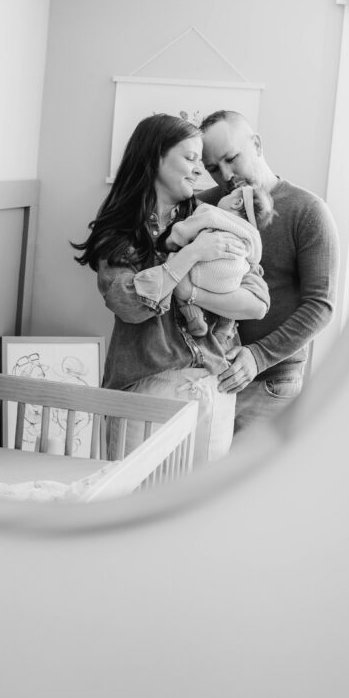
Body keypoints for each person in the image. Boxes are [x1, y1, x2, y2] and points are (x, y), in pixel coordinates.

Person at [72, 113, 270, 463]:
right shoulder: (119, 230)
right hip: (147, 389)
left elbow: (257, 302)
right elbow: (129, 304)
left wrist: (190, 292)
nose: (199, 170)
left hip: (214, 386)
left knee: (202, 496)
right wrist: (192, 254)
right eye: (190, 158)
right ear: (155, 159)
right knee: (137, 493)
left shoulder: (211, 218)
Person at [197, 109, 339, 434]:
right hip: (205, 377)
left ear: (257, 145)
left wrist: (258, 356)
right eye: (213, 168)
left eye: (231, 158)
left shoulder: (308, 211)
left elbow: (321, 306)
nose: (225, 175)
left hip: (271, 384)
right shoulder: (204, 208)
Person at [166, 183, 275, 338]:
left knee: (175, 261)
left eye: (229, 195)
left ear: (237, 202)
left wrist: (173, 241)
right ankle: (226, 324)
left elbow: (185, 230)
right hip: (230, 284)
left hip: (199, 273)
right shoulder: (254, 235)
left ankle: (193, 316)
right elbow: (254, 260)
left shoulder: (210, 212)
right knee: (238, 281)